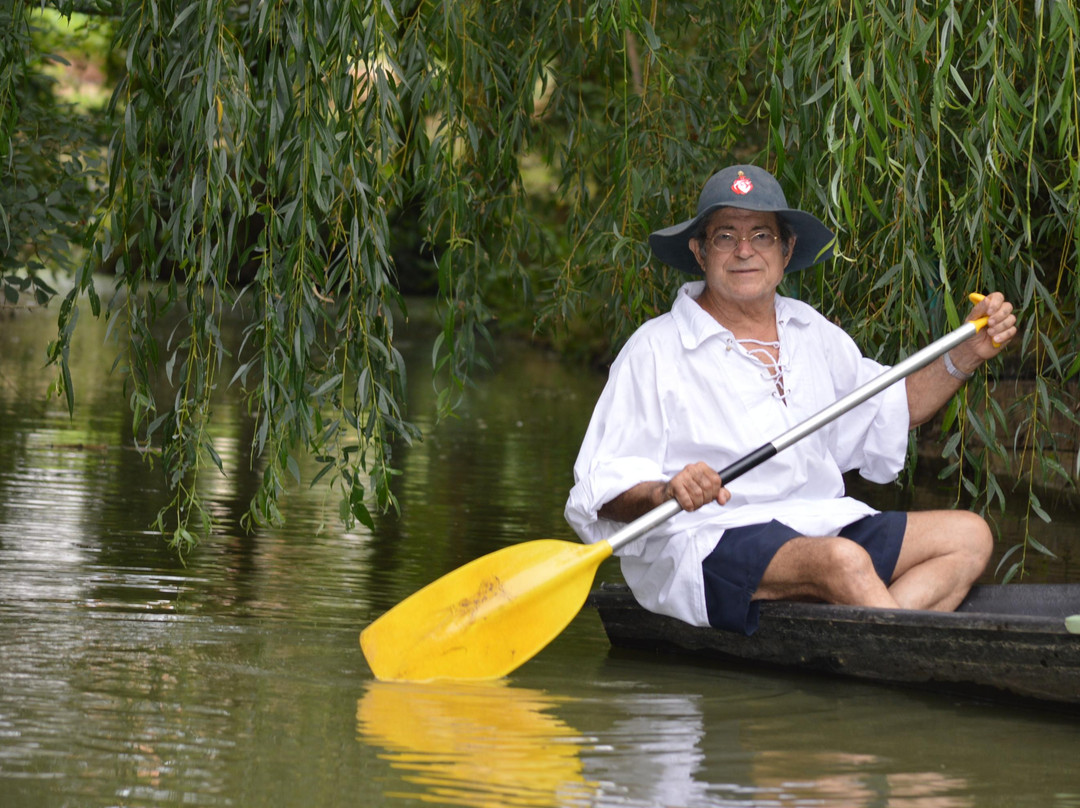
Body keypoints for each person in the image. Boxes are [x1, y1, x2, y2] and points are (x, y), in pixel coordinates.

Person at [564, 163, 1017, 634]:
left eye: (761, 235)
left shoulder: (810, 330)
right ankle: (898, 648)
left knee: (969, 536)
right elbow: (602, 489)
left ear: (786, 250)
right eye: (725, 237)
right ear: (700, 252)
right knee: (843, 562)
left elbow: (892, 407)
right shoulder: (655, 348)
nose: (744, 251)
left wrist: (968, 352)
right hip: (709, 538)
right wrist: (666, 490)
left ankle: (869, 635)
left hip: (819, 522)